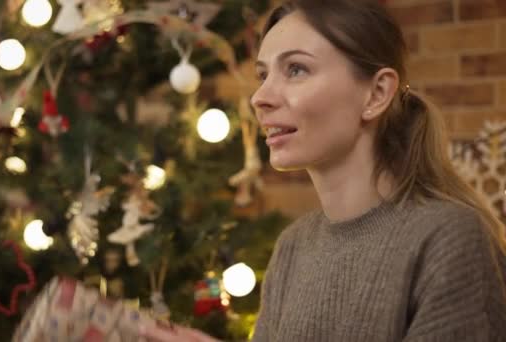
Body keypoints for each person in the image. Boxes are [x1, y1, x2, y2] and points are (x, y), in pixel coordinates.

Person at [139, 0, 506, 341]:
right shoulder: (293, 247)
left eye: (296, 69)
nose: (259, 97)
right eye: (263, 75)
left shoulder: (448, 239)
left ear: (377, 94)